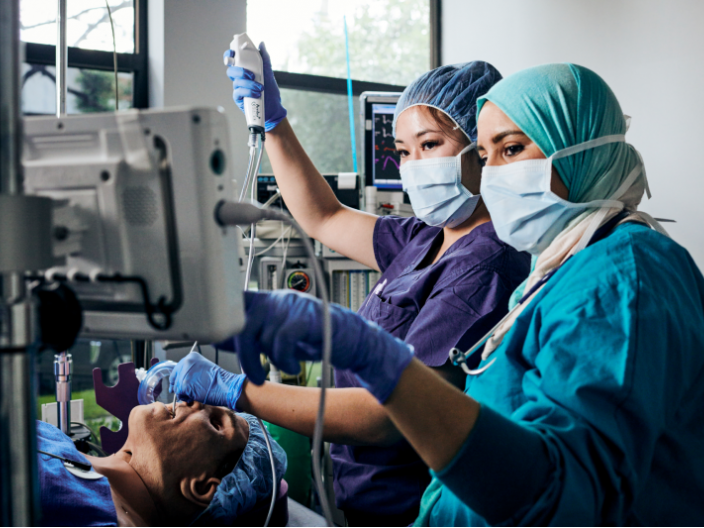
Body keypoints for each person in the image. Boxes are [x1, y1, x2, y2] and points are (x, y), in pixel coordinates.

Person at [187, 62, 704, 526]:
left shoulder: (615, 277)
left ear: (579, 147)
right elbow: (325, 216)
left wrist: (247, 388)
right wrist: (274, 123)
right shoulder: (550, 265)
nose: (495, 171)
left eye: (511, 149)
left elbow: (559, 492)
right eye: (488, 152)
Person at [219, 45, 530, 524]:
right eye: (403, 152)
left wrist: (237, 391)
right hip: (364, 497)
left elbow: (386, 417)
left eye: (429, 146)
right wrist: (275, 122)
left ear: (481, 148)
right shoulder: (424, 237)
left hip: (413, 506)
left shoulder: (486, 265)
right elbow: (323, 215)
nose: (413, 166)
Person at [37, 401, 286, 527]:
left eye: (215, 422)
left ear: (201, 487)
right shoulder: (55, 437)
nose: (195, 402)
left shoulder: (106, 521)